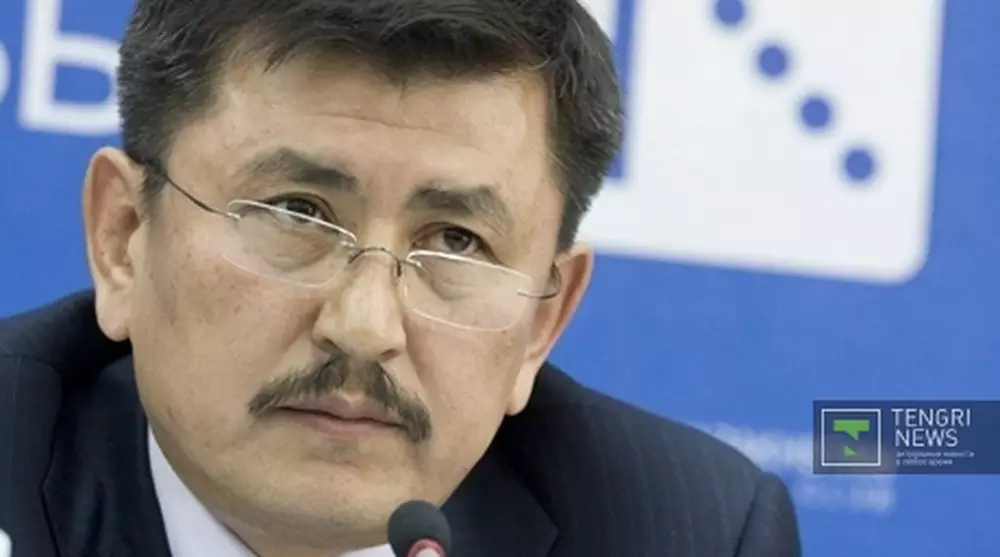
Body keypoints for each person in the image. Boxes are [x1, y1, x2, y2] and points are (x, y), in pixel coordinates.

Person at [0, 1, 802, 556]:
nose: (364, 326)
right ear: (124, 238)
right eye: (298, 211)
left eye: (456, 241)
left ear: (542, 323)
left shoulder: (687, 532)